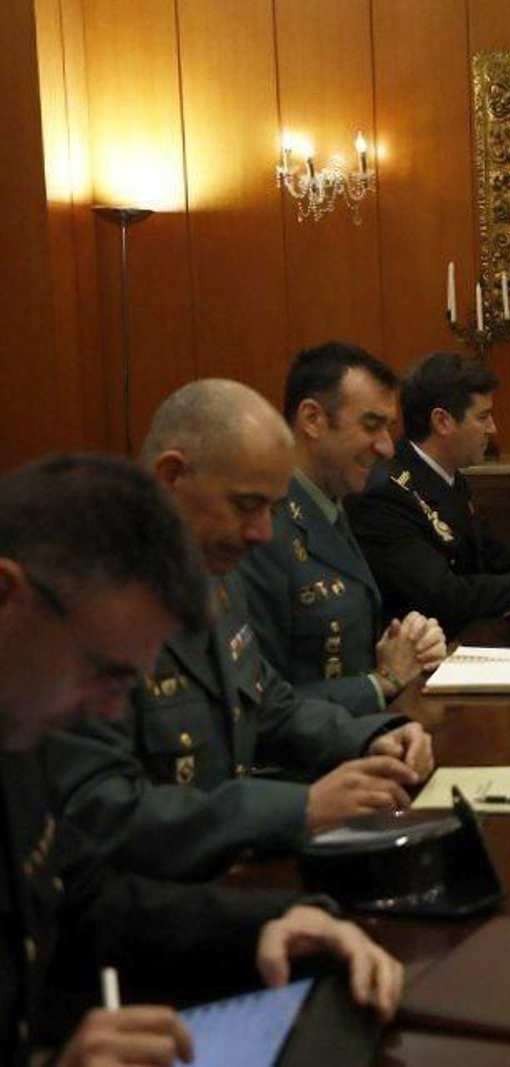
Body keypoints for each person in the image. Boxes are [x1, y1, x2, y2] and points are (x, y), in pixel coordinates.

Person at [0, 455, 402, 1067]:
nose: (112, 715)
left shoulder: (17, 726)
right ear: (8, 597)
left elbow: (83, 905)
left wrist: (272, 922)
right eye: (103, 674)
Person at [44, 380, 435, 882]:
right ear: (170, 478)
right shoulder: (79, 609)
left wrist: (372, 737)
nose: (263, 534)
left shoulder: (214, 574)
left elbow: (267, 705)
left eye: (271, 510)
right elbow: (99, 814)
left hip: (219, 885)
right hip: (136, 913)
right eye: (246, 505)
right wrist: (297, 808)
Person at [238, 342, 446, 715]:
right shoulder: (263, 527)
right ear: (313, 419)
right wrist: (382, 681)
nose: (385, 447)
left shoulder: (330, 505)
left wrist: (401, 648)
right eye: (371, 425)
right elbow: (257, 700)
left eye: (387, 428)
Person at [348, 352, 510, 635]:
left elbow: (489, 551)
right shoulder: (386, 493)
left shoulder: (445, 474)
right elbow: (443, 595)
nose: (493, 428)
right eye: (483, 417)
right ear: (442, 421)